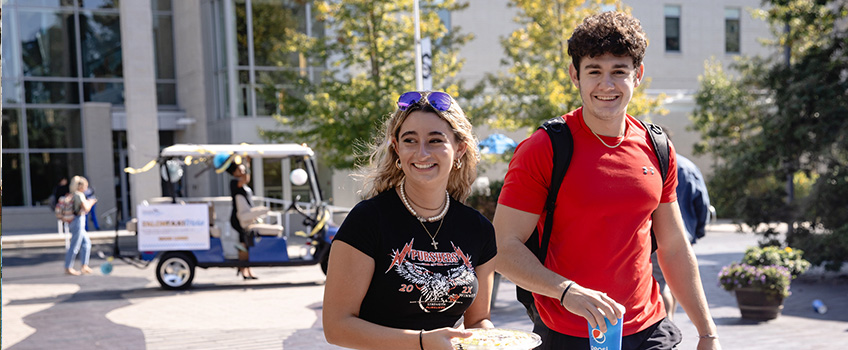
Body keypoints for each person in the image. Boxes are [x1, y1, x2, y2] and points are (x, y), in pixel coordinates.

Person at [493, 12, 720, 350]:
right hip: (567, 332)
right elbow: (500, 246)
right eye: (594, 71)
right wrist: (566, 291)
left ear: (637, 75)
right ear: (575, 75)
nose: (606, 85)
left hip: (648, 329)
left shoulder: (657, 148)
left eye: (619, 71)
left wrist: (707, 332)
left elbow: (673, 246)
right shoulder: (544, 148)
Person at [323, 91, 496, 350]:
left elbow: (478, 320)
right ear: (397, 148)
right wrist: (422, 342)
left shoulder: (478, 229)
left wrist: (498, 341)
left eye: (435, 140)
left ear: (460, 149)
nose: (422, 153)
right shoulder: (368, 220)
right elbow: (337, 327)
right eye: (410, 140)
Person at [652, 129, 712, 320]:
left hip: (658, 237)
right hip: (684, 237)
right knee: (673, 283)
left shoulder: (652, 165)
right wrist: (698, 231)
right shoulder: (688, 167)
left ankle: (666, 322)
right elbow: (702, 204)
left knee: (660, 285)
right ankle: (669, 322)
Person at [215, 154, 266, 280]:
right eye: (240, 169)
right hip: (239, 219)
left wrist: (246, 163)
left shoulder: (243, 184)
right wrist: (246, 165)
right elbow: (245, 178)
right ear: (234, 172)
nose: (242, 171)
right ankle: (244, 269)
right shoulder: (234, 183)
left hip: (246, 218)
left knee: (246, 244)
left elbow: (246, 179)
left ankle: (246, 269)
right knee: (244, 243)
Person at [64, 176, 97, 275]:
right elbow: (86, 208)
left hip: (76, 221)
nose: (86, 188)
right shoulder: (79, 195)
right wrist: (91, 202)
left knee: (86, 243)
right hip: (77, 221)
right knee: (75, 245)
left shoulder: (73, 195)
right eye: (85, 185)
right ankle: (68, 267)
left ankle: (84, 265)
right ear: (80, 186)